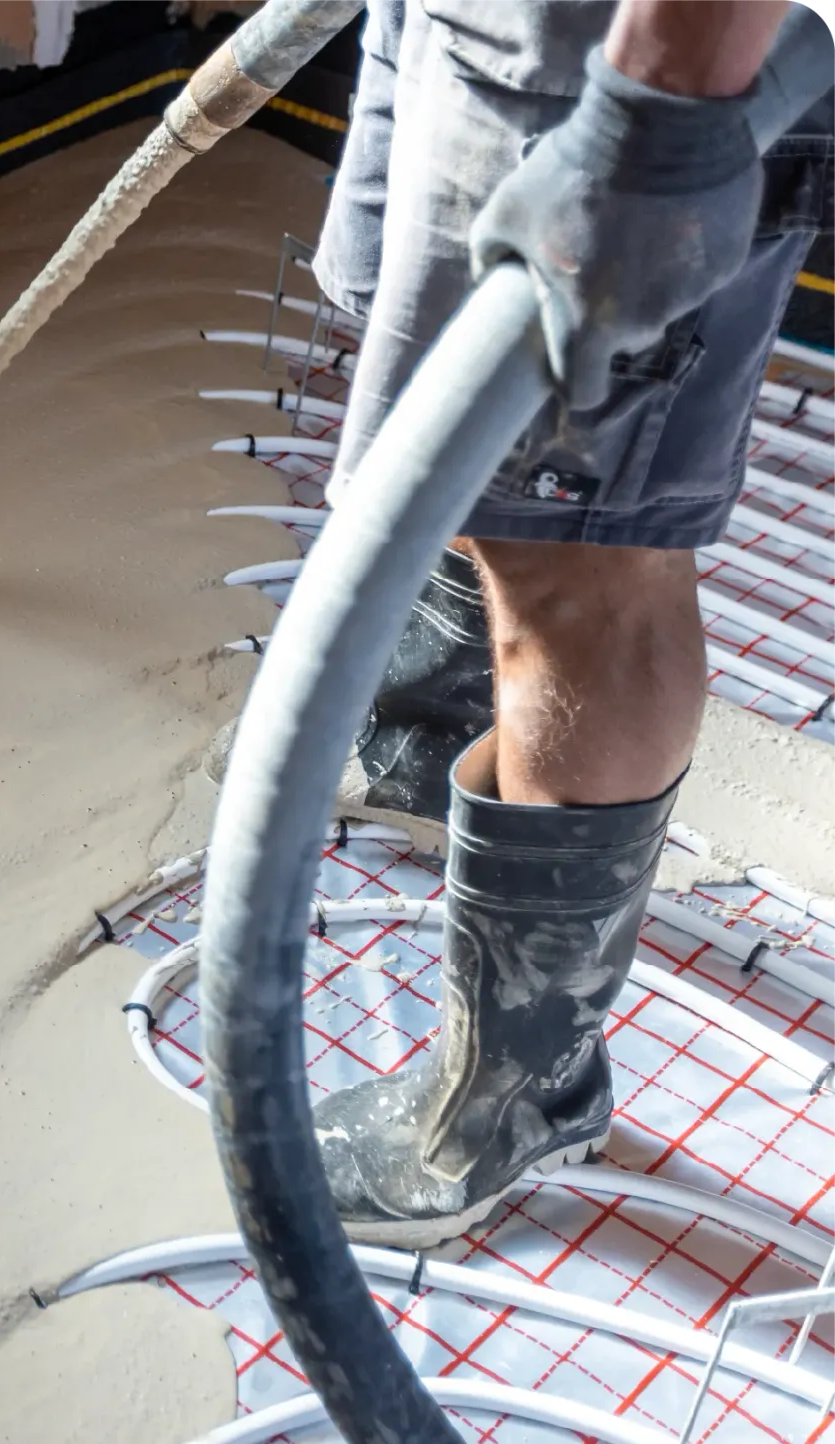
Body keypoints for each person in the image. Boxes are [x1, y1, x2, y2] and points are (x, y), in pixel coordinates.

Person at [298, 0, 830, 1247]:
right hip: (500, 27)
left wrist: (655, 116)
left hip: (636, 48)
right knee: (444, 430)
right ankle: (434, 757)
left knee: (582, 550)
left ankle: (519, 1092)